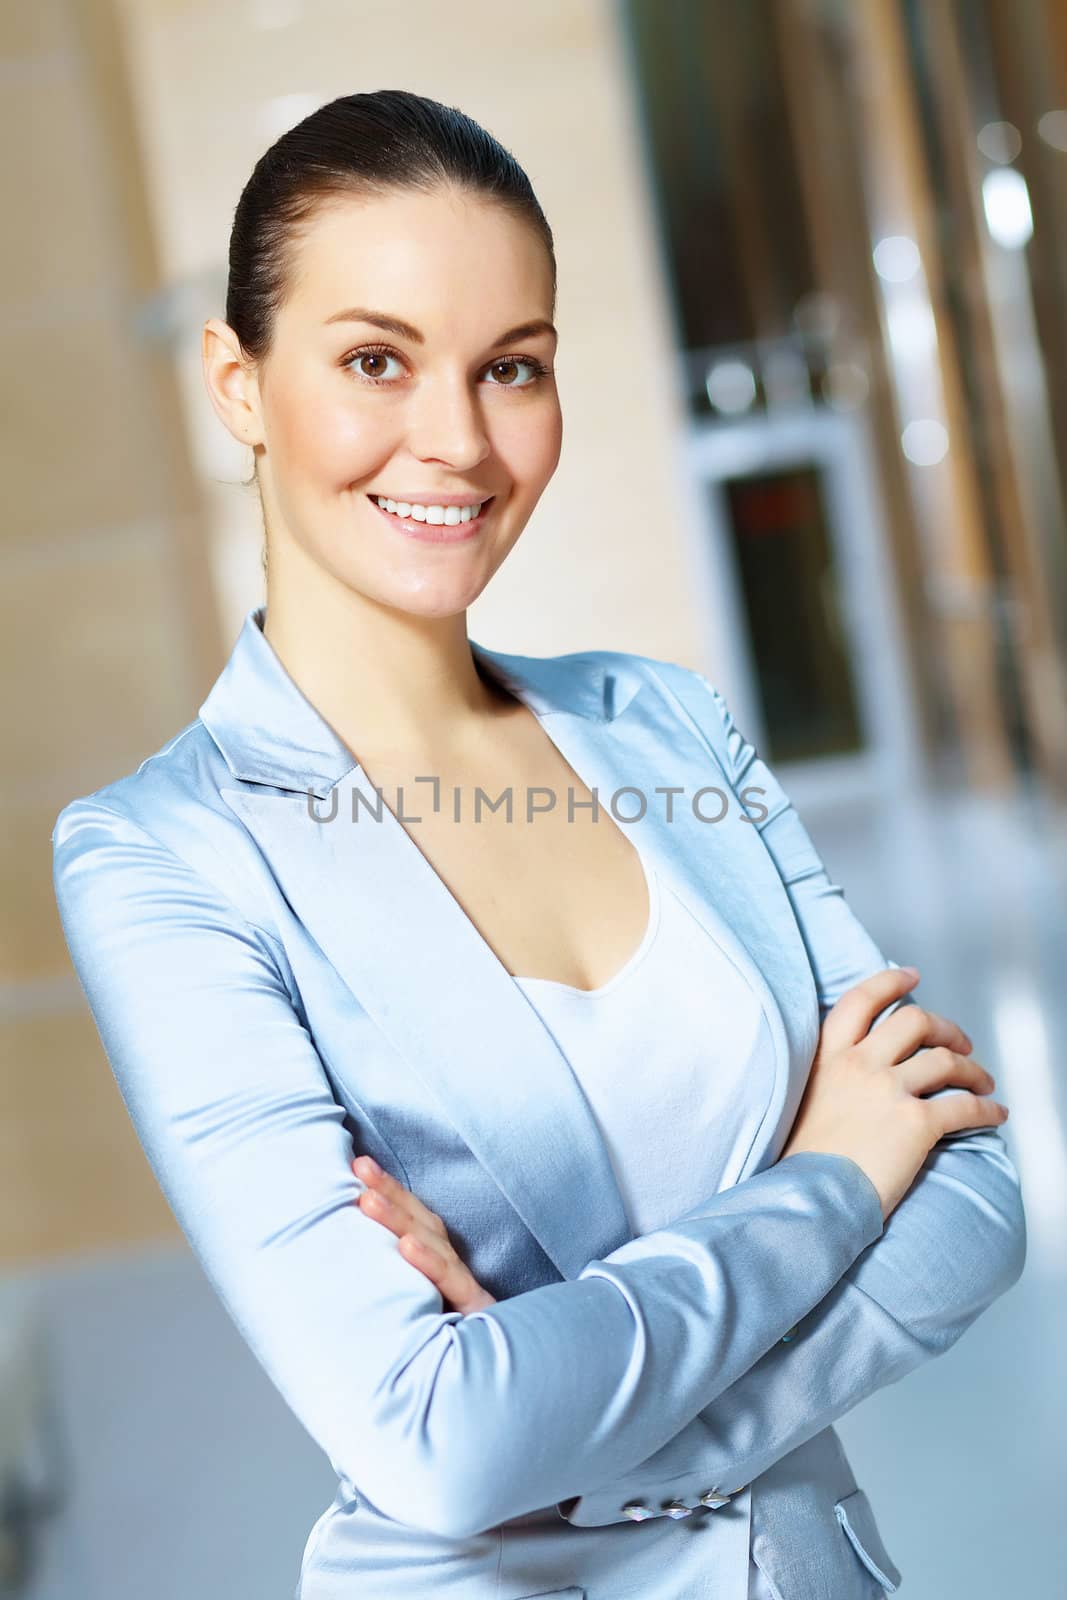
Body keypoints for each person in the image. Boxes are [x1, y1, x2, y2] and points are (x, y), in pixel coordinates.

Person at [52, 90, 1026, 1600]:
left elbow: (971, 1206)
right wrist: (831, 1175)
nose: (458, 441)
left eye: (513, 368)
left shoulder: (668, 726)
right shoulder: (163, 856)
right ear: (236, 383)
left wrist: (571, 1430)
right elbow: (434, 1445)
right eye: (376, 360)